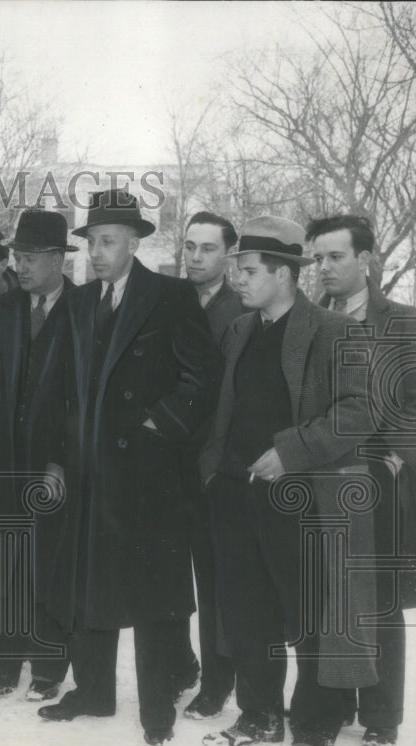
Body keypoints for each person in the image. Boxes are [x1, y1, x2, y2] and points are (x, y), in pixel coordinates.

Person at [38, 190, 221, 746]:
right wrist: (54, 458)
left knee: (151, 594)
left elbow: (203, 376)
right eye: (91, 241)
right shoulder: (77, 303)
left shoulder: (169, 296)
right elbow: (54, 387)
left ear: (134, 243)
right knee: (87, 582)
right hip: (88, 471)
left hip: (148, 477)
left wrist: (158, 428)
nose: (96, 252)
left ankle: (157, 707)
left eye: (108, 241)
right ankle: (92, 692)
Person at [199, 216, 378, 746]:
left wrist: (291, 452)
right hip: (237, 493)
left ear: (284, 275)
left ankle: (317, 723)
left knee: (309, 615)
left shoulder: (333, 330)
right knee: (248, 611)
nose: (240, 283)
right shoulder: (239, 331)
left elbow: (359, 412)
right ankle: (259, 713)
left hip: (300, 499)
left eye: (249, 272)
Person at [307, 213, 416, 746]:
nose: (324, 267)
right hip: (317, 485)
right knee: (326, 596)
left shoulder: (405, 323)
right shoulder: (307, 323)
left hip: (379, 483)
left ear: (366, 260)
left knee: (379, 600)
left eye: (336, 256)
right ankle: (330, 706)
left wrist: (396, 453)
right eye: (318, 258)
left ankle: (382, 714)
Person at [0, 210, 74, 705]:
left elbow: (83, 398)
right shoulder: (1, 311)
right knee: (3, 563)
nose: (19, 267)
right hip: (2, 463)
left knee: (49, 566)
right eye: (18, 257)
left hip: (53, 465)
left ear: (56, 259)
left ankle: (49, 668)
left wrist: (62, 461)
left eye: (29, 258)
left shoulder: (83, 310)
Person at [171, 211, 247, 719]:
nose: (195, 258)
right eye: (190, 247)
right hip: (166, 462)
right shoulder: (169, 299)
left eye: (207, 249)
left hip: (216, 466)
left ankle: (220, 681)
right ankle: (181, 665)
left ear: (228, 256)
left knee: (218, 579)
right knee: (171, 572)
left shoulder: (240, 308)